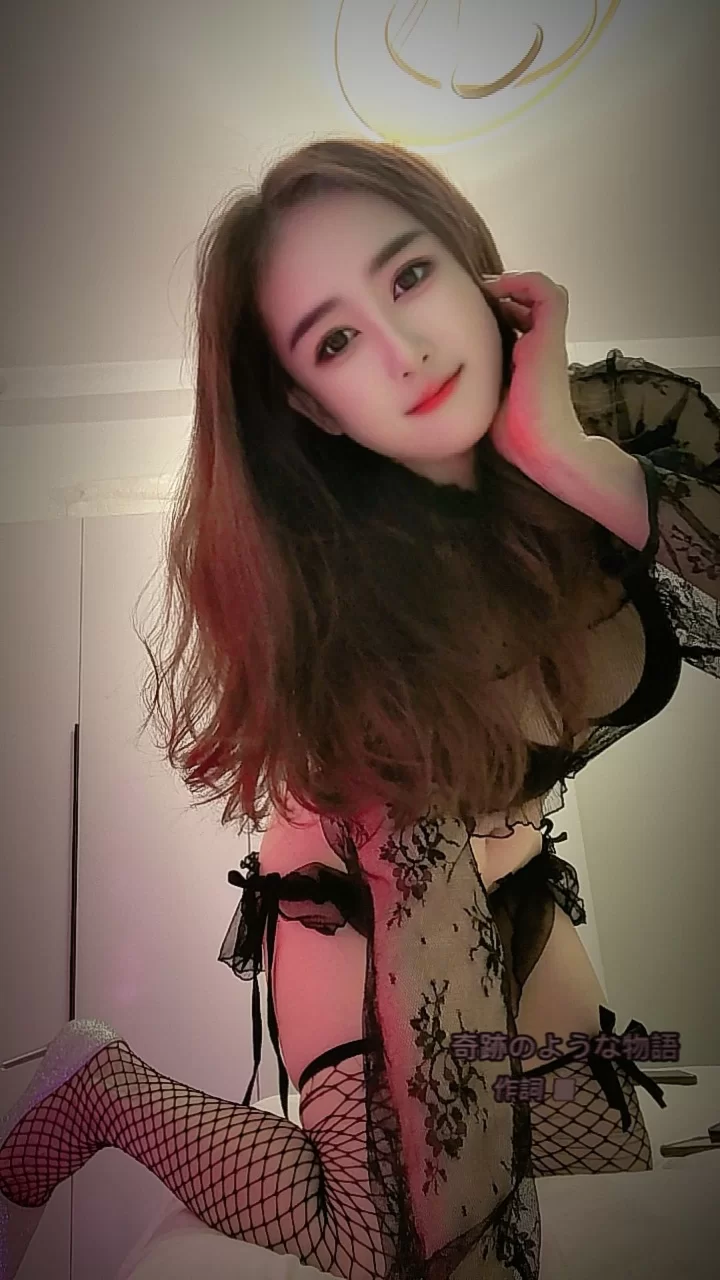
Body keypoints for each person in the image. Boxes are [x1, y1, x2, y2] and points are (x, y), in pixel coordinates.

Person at [2, 135, 719, 1280]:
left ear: (474, 264)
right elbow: (470, 1203)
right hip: (361, 908)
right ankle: (105, 1088)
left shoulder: (624, 411)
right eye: (335, 339)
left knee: (608, 1145)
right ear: (314, 404)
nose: (403, 348)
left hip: (520, 874)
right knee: (387, 1233)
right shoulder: (371, 629)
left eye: (409, 275)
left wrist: (576, 460)